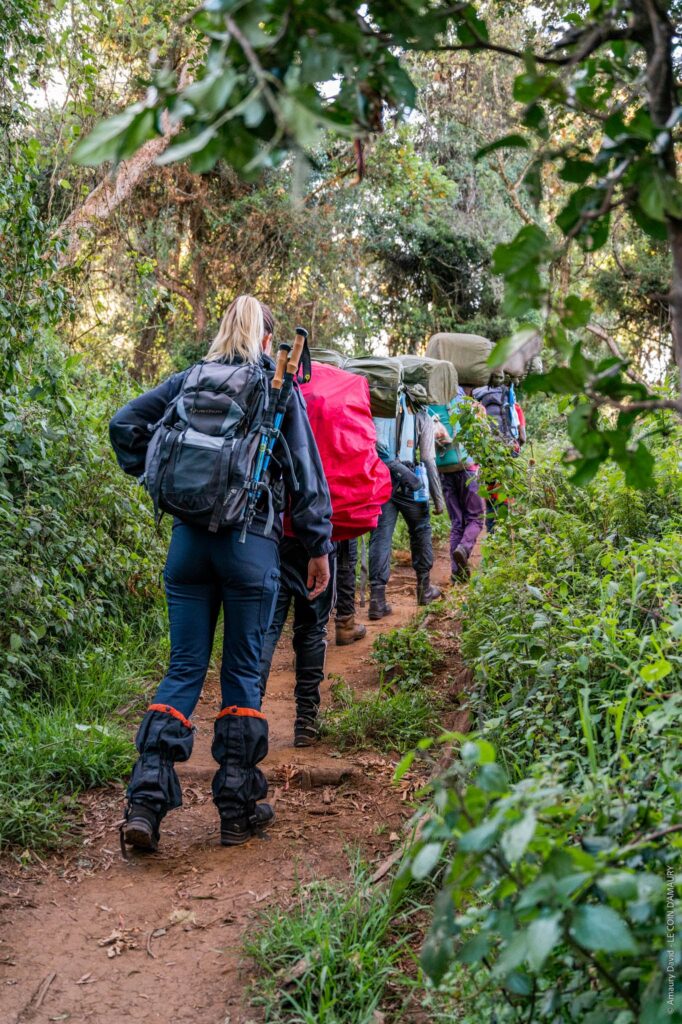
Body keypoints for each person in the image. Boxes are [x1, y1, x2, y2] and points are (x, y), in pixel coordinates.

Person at [109, 296, 333, 852]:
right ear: (265, 340)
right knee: (241, 675)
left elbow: (124, 425)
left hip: (187, 546)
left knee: (183, 668)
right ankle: (236, 810)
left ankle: (144, 805)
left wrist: (156, 476)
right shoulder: (274, 387)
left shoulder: (190, 380)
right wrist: (318, 546)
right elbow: (306, 475)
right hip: (249, 547)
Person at [369, 397, 444, 618]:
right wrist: (438, 499)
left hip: (383, 477)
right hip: (410, 480)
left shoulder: (380, 408)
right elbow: (428, 459)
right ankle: (424, 589)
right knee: (421, 530)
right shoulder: (422, 413)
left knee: (381, 536)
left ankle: (377, 600)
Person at [434, 386, 486, 580]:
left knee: (457, 522)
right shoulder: (466, 403)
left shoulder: (432, 403)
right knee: (476, 517)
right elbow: (481, 433)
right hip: (467, 468)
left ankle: (458, 574)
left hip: (444, 469)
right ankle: (464, 548)